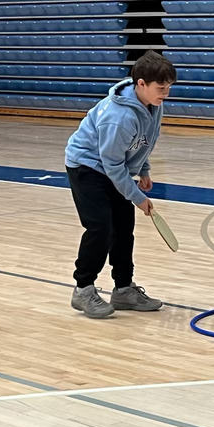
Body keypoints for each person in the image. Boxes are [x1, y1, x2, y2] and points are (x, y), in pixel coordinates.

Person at [64, 51, 175, 318]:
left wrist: (143, 170)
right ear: (141, 84)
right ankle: (83, 289)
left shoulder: (153, 104)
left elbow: (145, 141)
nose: (167, 93)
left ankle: (123, 289)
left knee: (124, 229)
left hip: (114, 168)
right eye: (161, 88)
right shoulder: (119, 117)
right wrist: (137, 196)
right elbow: (112, 164)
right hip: (88, 167)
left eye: (169, 87)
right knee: (101, 227)